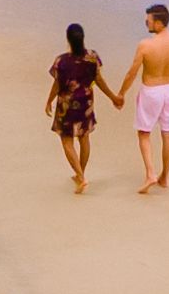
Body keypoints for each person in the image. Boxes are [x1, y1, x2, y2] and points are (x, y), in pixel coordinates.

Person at [116, 4, 169, 195]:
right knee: (168, 134)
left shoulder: (146, 45)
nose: (146, 23)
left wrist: (121, 94)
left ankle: (151, 173)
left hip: (151, 90)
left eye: (148, 21)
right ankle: (165, 177)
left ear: (158, 23)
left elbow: (131, 73)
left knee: (144, 133)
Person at [44, 22, 118, 195]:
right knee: (84, 138)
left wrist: (48, 101)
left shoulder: (61, 61)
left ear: (68, 40)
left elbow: (57, 84)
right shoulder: (93, 57)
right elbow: (99, 80)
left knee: (67, 140)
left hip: (66, 104)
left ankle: (80, 176)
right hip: (86, 103)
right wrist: (113, 97)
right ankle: (81, 173)